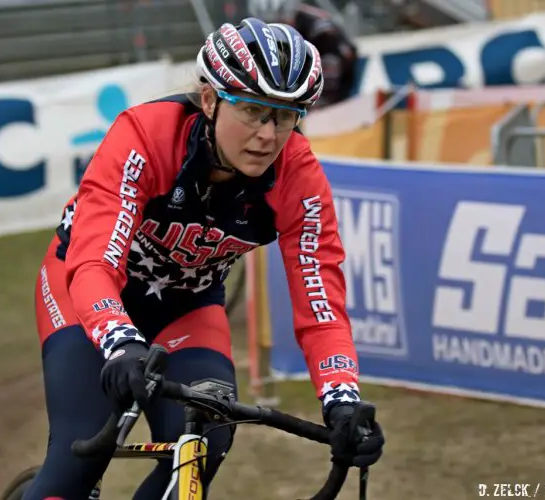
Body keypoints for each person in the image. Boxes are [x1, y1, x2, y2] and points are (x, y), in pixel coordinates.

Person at [24, 16, 384, 500]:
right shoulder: (146, 136)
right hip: (84, 292)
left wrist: (342, 400)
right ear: (211, 99)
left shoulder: (298, 176)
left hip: (188, 307)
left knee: (204, 444)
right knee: (75, 465)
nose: (267, 134)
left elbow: (321, 309)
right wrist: (118, 340)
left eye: (286, 115)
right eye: (253, 110)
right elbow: (92, 265)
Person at [248, 0, 359, 108]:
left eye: (279, 21)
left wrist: (316, 105)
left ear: (289, 12)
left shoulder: (322, 29)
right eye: (267, 25)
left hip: (343, 80)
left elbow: (332, 74)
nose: (274, 30)